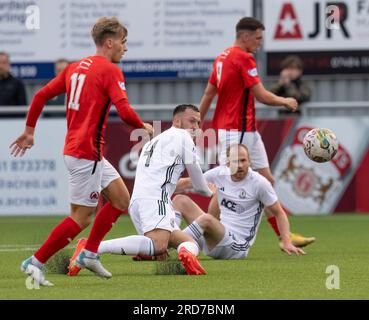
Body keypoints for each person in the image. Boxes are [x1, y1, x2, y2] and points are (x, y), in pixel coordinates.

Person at [10, 17, 153, 286]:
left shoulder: (75, 67)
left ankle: (89, 253)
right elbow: (123, 111)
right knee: (81, 216)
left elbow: (40, 96)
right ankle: (35, 262)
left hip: (85, 151)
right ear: (109, 42)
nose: (125, 48)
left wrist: (30, 131)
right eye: (123, 43)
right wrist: (143, 126)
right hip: (86, 153)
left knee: (121, 200)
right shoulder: (110, 71)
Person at [198, 17, 315, 248]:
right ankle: (207, 235)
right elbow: (261, 95)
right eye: (259, 38)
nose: (261, 42)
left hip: (244, 130)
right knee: (225, 184)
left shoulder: (221, 57)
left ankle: (285, 237)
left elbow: (208, 94)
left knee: (268, 180)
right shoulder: (244, 57)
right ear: (245, 36)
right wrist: (285, 101)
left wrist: (197, 120)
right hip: (236, 130)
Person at [68, 104, 214, 276]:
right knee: (158, 245)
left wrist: (189, 183)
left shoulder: (154, 141)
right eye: (191, 121)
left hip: (139, 202)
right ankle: (91, 247)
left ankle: (187, 254)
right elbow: (200, 184)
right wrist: (210, 192)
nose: (195, 127)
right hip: (155, 201)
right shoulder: (183, 137)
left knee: (187, 242)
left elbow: (165, 180)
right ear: (176, 120)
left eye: (198, 123)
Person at [173, 144, 305, 259]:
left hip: (237, 247)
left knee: (206, 220)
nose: (240, 165)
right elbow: (186, 183)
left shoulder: (260, 183)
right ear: (228, 163)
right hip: (217, 238)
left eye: (243, 161)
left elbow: (279, 213)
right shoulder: (219, 174)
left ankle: (165, 245)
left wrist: (286, 241)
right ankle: (176, 244)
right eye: (236, 161)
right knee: (180, 200)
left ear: (250, 162)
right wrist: (157, 189)